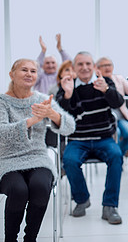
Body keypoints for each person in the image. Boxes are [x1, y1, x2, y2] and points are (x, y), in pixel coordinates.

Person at [0, 59, 75, 242]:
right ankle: (10, 238)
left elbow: (70, 127)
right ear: (12, 74)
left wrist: (52, 114)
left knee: (41, 187)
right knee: (18, 191)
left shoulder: (42, 99)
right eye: (24, 70)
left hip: (38, 157)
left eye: (33, 71)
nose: (29, 74)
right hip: (8, 160)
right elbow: (2, 134)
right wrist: (31, 121)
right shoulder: (2, 102)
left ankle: (30, 238)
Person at [57, 51, 124, 224]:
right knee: (69, 160)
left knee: (116, 156)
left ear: (94, 67)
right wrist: (68, 95)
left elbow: (118, 103)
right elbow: (61, 114)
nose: (85, 68)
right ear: (73, 68)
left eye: (88, 64)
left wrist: (107, 90)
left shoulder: (105, 82)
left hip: (104, 138)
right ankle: (81, 199)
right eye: (80, 64)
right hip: (78, 140)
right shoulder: (67, 85)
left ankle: (109, 206)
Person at [97, 57, 128, 156]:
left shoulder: (119, 79)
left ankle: (119, 156)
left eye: (109, 65)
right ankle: (115, 160)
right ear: (97, 68)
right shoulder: (95, 82)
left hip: (121, 117)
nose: (107, 67)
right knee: (116, 134)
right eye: (104, 65)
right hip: (106, 119)